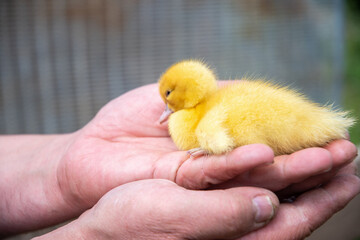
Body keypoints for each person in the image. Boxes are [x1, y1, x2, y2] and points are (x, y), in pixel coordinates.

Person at [0, 83, 359, 239]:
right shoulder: (210, 105)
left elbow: (216, 138)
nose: (165, 107)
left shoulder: (204, 119)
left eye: (169, 97)